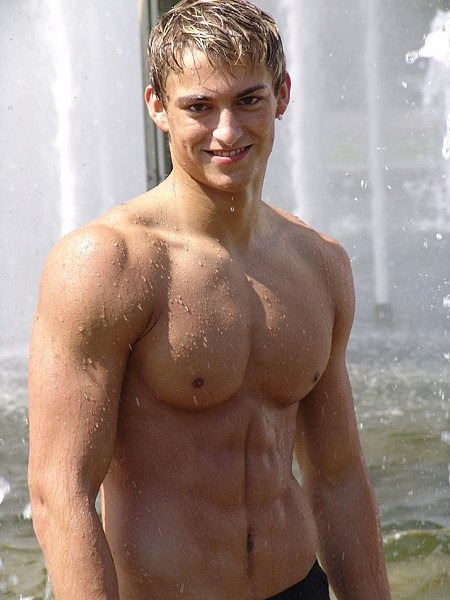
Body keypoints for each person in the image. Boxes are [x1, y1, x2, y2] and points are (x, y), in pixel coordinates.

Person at [28, 0, 391, 598]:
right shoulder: (109, 264)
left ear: (282, 94)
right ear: (158, 107)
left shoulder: (319, 263)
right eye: (199, 107)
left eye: (248, 100)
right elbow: (59, 492)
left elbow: (339, 478)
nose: (227, 131)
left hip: (296, 586)